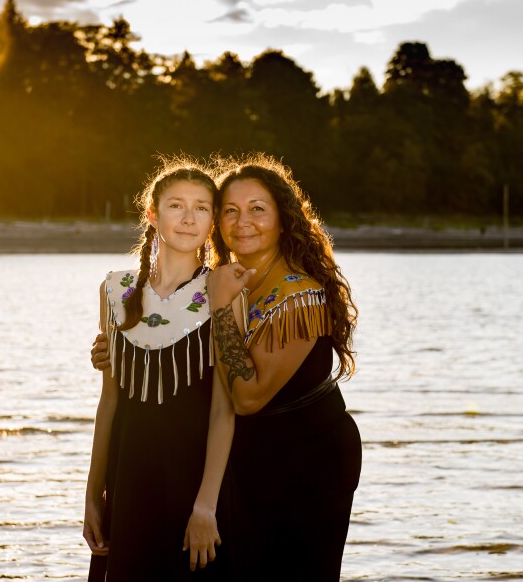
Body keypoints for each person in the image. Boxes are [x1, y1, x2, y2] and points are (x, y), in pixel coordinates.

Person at [205, 154, 361, 581]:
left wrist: (219, 309)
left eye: (258, 209)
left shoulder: (299, 295)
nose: (243, 222)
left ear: (282, 219)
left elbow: (247, 396)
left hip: (309, 463)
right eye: (231, 211)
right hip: (250, 460)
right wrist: (112, 351)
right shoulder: (225, 280)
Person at [83, 160, 235, 581]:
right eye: (176, 205)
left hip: (194, 482)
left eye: (202, 208)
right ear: (152, 213)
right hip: (129, 480)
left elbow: (224, 409)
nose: (188, 218)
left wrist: (206, 505)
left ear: (213, 220)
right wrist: (94, 495)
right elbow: (109, 401)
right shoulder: (115, 290)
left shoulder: (223, 290)